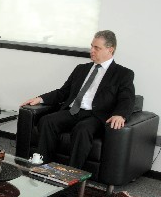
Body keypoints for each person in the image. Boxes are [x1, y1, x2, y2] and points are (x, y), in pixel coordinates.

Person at [21, 30, 135, 168]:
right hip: (74, 111)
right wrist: (40, 99)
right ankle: (43, 166)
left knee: (82, 129)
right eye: (91, 46)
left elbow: (127, 99)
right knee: (47, 121)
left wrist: (120, 114)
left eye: (97, 48)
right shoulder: (81, 69)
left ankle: (72, 173)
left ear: (110, 49)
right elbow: (64, 92)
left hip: (96, 116)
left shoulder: (123, 74)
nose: (92, 50)